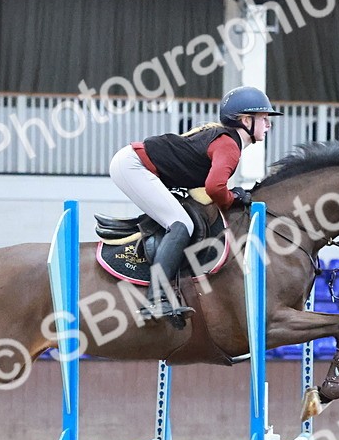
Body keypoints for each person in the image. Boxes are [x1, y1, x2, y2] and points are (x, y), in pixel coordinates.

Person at [108, 86, 281, 325]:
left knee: (183, 220)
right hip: (133, 166)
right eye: (264, 118)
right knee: (181, 224)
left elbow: (204, 191)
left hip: (135, 164)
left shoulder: (224, 139)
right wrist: (233, 198)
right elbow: (214, 188)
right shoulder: (229, 146)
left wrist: (229, 195)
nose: (268, 124)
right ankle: (155, 299)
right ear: (245, 120)